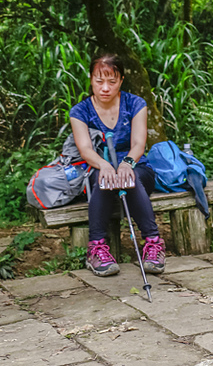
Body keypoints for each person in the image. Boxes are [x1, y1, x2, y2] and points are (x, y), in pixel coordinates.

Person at [69, 54, 165, 276]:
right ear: (91, 80)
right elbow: (85, 150)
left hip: (137, 166)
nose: (105, 88)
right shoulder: (80, 111)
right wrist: (104, 165)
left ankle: (153, 244)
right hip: (99, 166)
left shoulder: (135, 104)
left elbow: (139, 144)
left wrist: (126, 164)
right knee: (104, 178)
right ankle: (97, 249)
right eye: (99, 81)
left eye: (111, 82)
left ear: (121, 80)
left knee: (130, 177)